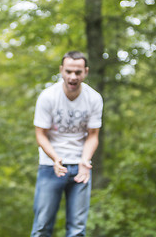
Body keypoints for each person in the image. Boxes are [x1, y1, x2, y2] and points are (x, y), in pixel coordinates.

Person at [30, 51, 103, 237]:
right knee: (42, 226)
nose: (73, 77)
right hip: (50, 166)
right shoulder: (48, 97)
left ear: (85, 72)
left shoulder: (94, 98)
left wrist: (85, 161)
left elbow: (93, 135)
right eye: (69, 71)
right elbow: (40, 135)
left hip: (81, 167)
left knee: (77, 229)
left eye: (78, 72)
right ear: (62, 70)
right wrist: (55, 158)